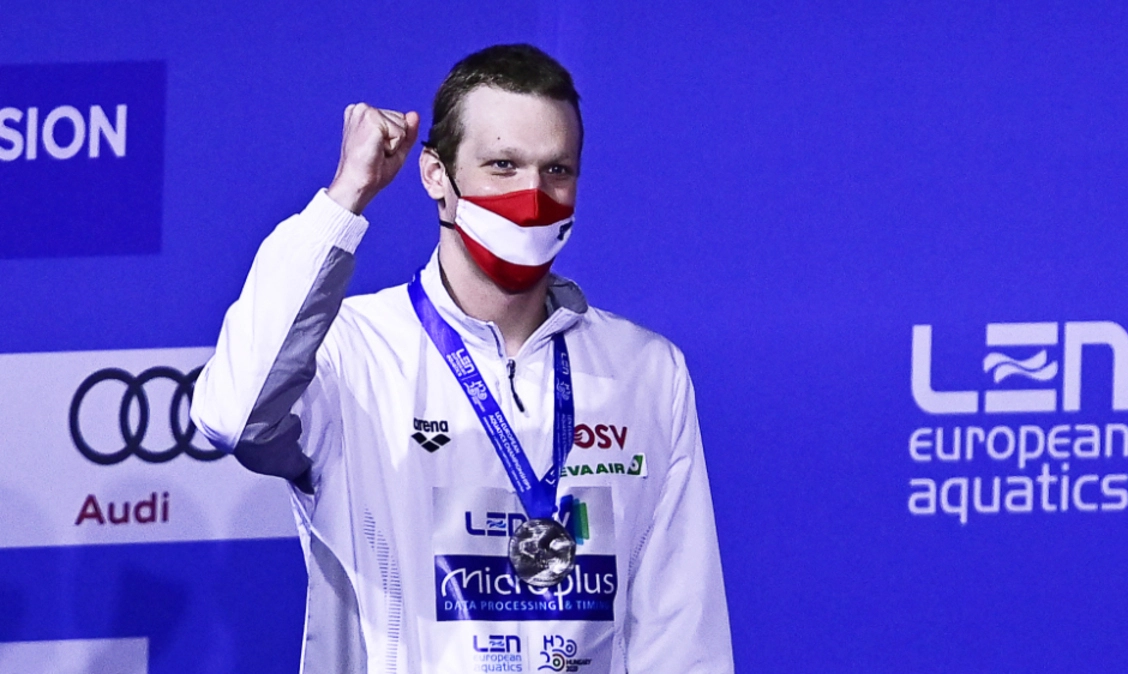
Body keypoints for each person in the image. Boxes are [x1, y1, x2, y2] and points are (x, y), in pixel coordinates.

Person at [191, 43, 733, 674]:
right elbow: (234, 415)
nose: (533, 196)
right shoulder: (352, 352)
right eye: (503, 165)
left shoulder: (645, 371)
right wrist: (344, 198)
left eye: (557, 170)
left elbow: (681, 630)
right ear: (435, 176)